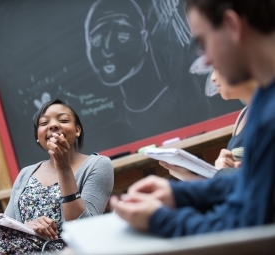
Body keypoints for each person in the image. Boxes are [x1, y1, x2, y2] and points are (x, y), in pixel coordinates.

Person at [110, 0, 275, 237]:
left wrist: (157, 218)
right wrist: (177, 194)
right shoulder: (263, 101)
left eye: (203, 42)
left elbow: (246, 221)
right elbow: (252, 181)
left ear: (232, 26)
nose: (206, 61)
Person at [0, 99, 114, 254]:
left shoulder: (98, 165)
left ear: (77, 130)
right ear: (38, 136)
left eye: (63, 120)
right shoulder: (26, 173)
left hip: (65, 249)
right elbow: (7, 225)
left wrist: (63, 168)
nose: (53, 125)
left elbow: (84, 228)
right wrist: (28, 225)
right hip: (21, 248)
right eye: (44, 123)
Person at [166, 69, 258, 181]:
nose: (212, 78)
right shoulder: (243, 115)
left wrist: (222, 173)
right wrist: (193, 177)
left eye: (218, 67)